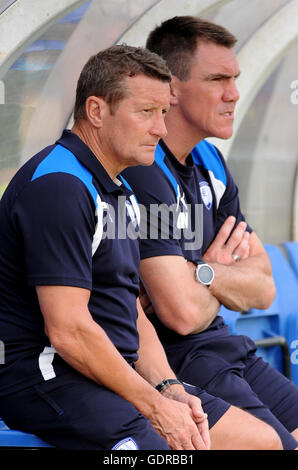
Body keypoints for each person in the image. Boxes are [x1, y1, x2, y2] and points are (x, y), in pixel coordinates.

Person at [0, 44, 279, 452]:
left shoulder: (120, 188)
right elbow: (68, 332)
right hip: (51, 380)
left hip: (110, 376)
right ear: (96, 111)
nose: (161, 130)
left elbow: (130, 311)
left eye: (163, 113)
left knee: (262, 443)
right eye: (145, 113)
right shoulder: (60, 187)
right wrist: (153, 405)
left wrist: (169, 388)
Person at [122, 16, 298, 450]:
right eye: (218, 79)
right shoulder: (147, 169)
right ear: (173, 90)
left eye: (235, 78)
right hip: (182, 362)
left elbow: (265, 287)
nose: (234, 93)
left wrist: (201, 271)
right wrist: (215, 275)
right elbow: (179, 313)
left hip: (226, 344)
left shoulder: (210, 162)